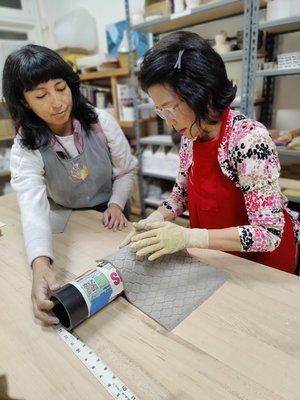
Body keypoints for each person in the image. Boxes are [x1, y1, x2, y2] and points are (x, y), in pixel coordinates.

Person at [122, 31, 299, 274]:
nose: (169, 121)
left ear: (201, 94)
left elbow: (269, 233)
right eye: (161, 111)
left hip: (263, 264)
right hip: (219, 254)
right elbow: (181, 193)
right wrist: (155, 219)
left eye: (170, 108)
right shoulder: (190, 135)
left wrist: (188, 237)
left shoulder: (248, 140)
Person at [3, 44, 137, 325]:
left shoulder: (102, 123)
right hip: (65, 214)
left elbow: (126, 171)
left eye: (60, 88)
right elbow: (32, 208)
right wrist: (40, 265)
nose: (57, 102)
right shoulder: (25, 147)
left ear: (71, 85)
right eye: (41, 95)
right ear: (24, 101)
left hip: (107, 210)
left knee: (121, 283)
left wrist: (115, 203)